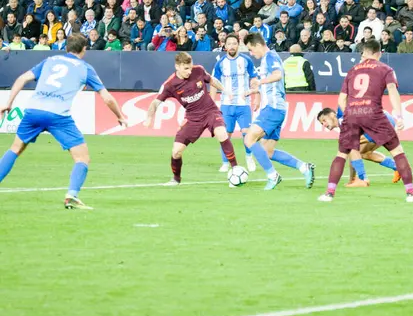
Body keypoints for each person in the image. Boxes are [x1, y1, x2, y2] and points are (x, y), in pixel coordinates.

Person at [0, 34, 127, 210]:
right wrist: (119, 115)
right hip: (58, 115)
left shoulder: (50, 60)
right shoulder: (85, 68)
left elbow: (22, 78)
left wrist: (8, 103)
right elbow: (107, 98)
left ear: (66, 47)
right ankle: (71, 195)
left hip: (34, 110)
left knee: (15, 148)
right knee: (82, 158)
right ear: (84, 49)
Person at [317, 39, 413, 203]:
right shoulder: (385, 69)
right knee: (397, 151)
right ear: (379, 53)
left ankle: (329, 193)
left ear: (364, 52)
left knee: (341, 154)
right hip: (374, 113)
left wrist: (349, 115)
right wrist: (399, 115)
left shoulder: (352, 71)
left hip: (352, 113)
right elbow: (392, 91)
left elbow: (341, 99)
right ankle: (411, 194)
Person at [143, 52, 239, 186]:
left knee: (222, 133)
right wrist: (149, 118)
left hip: (210, 111)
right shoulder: (170, 84)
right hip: (192, 117)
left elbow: (211, 80)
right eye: (185, 69)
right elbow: (155, 102)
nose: (189, 71)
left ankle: (236, 168)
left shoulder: (198, 70)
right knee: (176, 152)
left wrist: (226, 91)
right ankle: (176, 179)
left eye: (190, 67)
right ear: (177, 66)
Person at [242, 32, 316, 190]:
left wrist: (259, 82)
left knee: (249, 140)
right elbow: (272, 84)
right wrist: (255, 92)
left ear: (257, 45)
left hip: (273, 109)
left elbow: (277, 75)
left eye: (250, 49)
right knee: (267, 151)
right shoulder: (267, 59)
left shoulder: (270, 57)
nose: (251, 53)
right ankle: (304, 167)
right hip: (276, 108)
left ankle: (272, 176)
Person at [318, 107, 402, 186]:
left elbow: (348, 100)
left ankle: (362, 179)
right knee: (364, 153)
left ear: (332, 115)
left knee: (351, 146)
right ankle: (397, 167)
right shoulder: (343, 128)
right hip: (382, 123)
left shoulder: (341, 112)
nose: (324, 124)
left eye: (324, 120)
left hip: (380, 123)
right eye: (322, 123)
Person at [211, 34, 259, 174]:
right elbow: (213, 82)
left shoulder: (246, 60)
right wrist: (212, 102)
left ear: (238, 45)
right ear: (225, 46)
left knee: (246, 133)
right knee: (225, 134)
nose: (231, 46)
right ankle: (225, 162)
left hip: (243, 103)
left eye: (234, 43)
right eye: (229, 44)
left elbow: (253, 79)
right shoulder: (220, 63)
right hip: (227, 104)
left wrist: (256, 97)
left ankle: (249, 157)